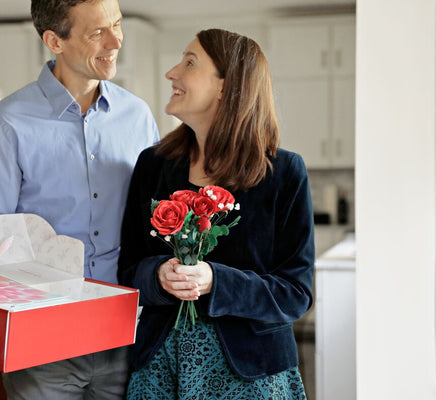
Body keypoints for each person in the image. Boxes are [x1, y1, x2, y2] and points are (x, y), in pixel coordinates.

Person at [0, 0, 159, 398]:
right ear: (54, 41)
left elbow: (153, 225)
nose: (116, 41)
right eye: (97, 32)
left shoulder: (138, 117)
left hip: (124, 335)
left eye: (117, 25)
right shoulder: (6, 123)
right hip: (41, 341)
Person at [118, 28, 314, 399]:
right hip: (161, 368)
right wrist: (158, 275)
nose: (172, 73)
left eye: (189, 63)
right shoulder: (152, 165)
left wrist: (215, 280)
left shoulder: (285, 173)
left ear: (227, 87)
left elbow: (295, 294)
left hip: (253, 376)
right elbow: (128, 269)